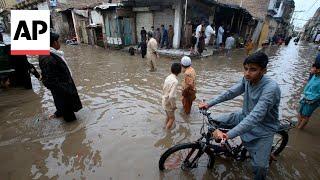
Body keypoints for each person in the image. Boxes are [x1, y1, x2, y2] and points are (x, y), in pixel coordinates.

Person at [199, 52, 281, 180]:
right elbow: (230, 92)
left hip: (263, 127)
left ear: (264, 70)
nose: (247, 73)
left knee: (260, 167)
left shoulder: (271, 88)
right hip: (244, 116)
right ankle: (224, 149)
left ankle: (265, 155)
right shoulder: (247, 79)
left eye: (253, 69)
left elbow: (256, 117)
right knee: (214, 122)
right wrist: (209, 104)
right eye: (246, 68)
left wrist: (229, 134)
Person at [39, 32, 82, 122]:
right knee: (70, 119)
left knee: (64, 107)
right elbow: (50, 80)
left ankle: (59, 112)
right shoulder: (48, 58)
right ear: (54, 43)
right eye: (58, 41)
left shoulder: (52, 54)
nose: (59, 43)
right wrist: (65, 91)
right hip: (63, 91)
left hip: (62, 88)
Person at [297, 62, 320, 129]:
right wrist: (305, 94)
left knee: (306, 115)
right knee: (300, 112)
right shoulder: (314, 75)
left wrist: (310, 98)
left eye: (314, 68)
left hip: (313, 100)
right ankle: (297, 125)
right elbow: (308, 85)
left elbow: (318, 94)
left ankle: (300, 129)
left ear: (319, 70)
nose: (312, 69)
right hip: (305, 97)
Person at [162, 63, 182, 130]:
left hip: (164, 100)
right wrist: (173, 106)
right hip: (169, 103)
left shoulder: (168, 77)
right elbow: (171, 96)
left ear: (171, 69)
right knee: (172, 118)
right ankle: (167, 133)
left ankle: (164, 127)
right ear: (179, 71)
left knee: (168, 116)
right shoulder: (175, 81)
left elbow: (164, 88)